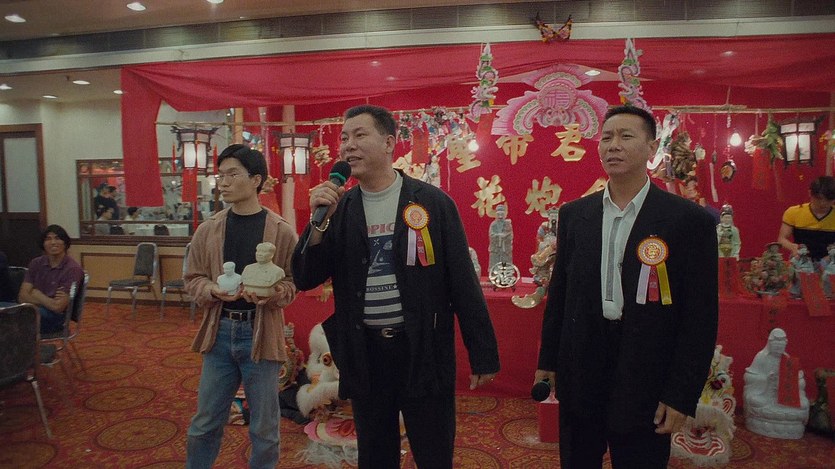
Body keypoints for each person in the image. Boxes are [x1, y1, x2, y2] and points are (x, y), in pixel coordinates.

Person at [292, 104, 500, 468]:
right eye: (344, 138)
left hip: (423, 349)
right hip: (366, 354)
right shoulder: (340, 208)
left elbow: (462, 281)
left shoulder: (432, 203)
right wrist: (318, 222)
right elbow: (306, 276)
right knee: (375, 454)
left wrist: (482, 351)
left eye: (360, 135)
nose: (348, 145)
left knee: (434, 452)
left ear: (389, 143)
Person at [535, 105, 718, 469]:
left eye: (626, 136)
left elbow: (700, 317)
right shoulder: (575, 215)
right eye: (606, 137)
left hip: (647, 368)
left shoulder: (688, 221)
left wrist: (681, 395)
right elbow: (561, 296)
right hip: (582, 366)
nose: (613, 145)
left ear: (652, 148)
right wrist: (548, 361)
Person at [184, 144, 298, 469]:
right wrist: (212, 289)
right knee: (205, 422)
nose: (223, 182)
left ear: (256, 180)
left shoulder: (280, 231)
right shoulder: (209, 229)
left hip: (261, 336)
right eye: (220, 175)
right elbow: (192, 278)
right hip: (220, 333)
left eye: (232, 174)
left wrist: (274, 294)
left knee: (265, 428)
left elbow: (293, 282)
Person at [18, 225, 84, 333]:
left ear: (65, 243)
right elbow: (22, 297)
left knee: (15, 321)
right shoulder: (36, 263)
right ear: (43, 244)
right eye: (48, 239)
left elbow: (58, 307)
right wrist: (49, 301)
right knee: (9, 314)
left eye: (57, 238)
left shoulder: (72, 269)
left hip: (56, 318)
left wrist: (36, 294)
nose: (53, 242)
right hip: (33, 309)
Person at [778, 175, 835, 262]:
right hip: (802, 260)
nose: (823, 203)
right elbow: (782, 239)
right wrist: (792, 247)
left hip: (830, 262)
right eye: (818, 198)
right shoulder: (793, 212)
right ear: (810, 193)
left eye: (829, 200)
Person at [488, 203, 513, 269]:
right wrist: (499, 236)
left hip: (505, 248)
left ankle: (506, 273)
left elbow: (510, 235)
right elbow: (491, 235)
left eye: (502, 213)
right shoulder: (493, 224)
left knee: (505, 263)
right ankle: (494, 273)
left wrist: (505, 236)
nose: (500, 215)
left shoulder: (508, 224)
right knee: (495, 262)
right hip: (495, 248)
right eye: (498, 213)